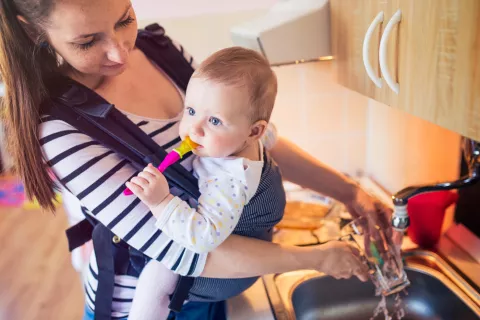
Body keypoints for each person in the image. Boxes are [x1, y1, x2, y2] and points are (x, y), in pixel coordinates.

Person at [0, 0, 393, 319]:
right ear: (35, 30)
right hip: (154, 305)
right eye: (87, 42)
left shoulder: (160, 51)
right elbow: (187, 251)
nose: (120, 52)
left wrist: (349, 192)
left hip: (216, 286)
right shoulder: (61, 130)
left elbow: (241, 140)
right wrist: (318, 258)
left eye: (124, 20)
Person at [126, 46, 284, 320]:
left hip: (221, 279)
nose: (194, 129)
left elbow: (202, 237)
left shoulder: (228, 178)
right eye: (190, 110)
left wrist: (161, 202)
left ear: (253, 130)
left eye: (214, 120)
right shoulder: (250, 140)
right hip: (242, 259)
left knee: (157, 274)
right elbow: (272, 137)